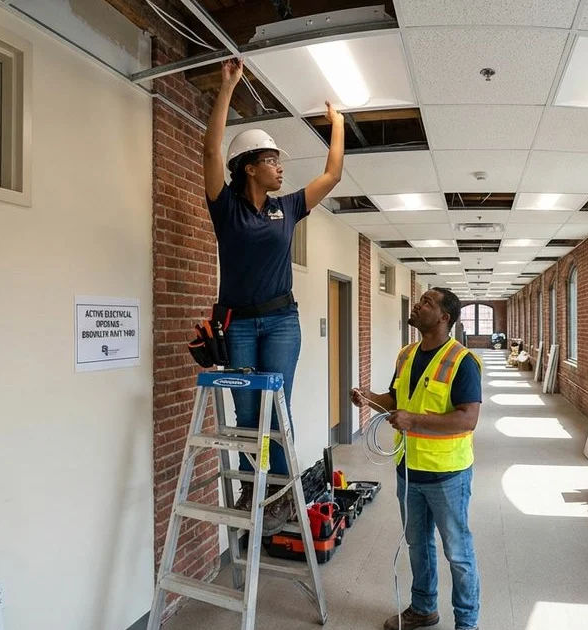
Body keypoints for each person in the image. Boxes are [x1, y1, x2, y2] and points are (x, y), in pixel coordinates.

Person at [202, 58, 345, 534]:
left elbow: (332, 175)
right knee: (247, 413)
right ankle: (254, 483)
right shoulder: (225, 208)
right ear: (249, 168)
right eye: (271, 160)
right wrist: (227, 87)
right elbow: (210, 151)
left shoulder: (288, 208)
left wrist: (338, 125)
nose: (281, 167)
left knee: (276, 409)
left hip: (282, 321)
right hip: (239, 324)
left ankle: (282, 491)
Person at [350, 288, 483, 630]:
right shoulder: (406, 355)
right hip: (409, 470)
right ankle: (424, 608)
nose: (418, 304)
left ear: (444, 317)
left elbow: (468, 418)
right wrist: (369, 398)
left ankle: (467, 623)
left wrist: (414, 420)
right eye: (420, 300)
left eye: (427, 302)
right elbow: (396, 401)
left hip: (447, 474)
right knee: (417, 545)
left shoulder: (462, 361)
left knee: (458, 553)